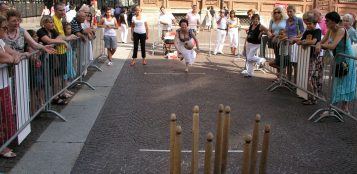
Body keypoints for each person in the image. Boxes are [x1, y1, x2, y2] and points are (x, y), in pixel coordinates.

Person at [316, 12, 356, 113]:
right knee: (337, 81)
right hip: (338, 58)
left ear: (333, 21)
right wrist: (318, 43)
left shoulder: (341, 30)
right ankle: (335, 106)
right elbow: (323, 41)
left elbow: (332, 45)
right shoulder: (330, 30)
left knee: (345, 81)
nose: (325, 22)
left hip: (346, 58)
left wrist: (320, 45)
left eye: (327, 20)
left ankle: (341, 106)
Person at [0, 15, 25, 158]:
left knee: (5, 115)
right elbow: (8, 58)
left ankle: (4, 144)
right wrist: (13, 58)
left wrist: (13, 57)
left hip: (3, 84)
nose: (5, 30)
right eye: (3, 28)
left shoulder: (1, 42)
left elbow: (15, 54)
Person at [295, 13, 322, 105]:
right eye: (307, 24)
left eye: (310, 24)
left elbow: (314, 41)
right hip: (305, 57)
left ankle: (313, 98)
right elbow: (300, 40)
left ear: (315, 24)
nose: (308, 25)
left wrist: (304, 42)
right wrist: (301, 41)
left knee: (309, 78)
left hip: (313, 57)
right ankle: (310, 96)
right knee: (306, 77)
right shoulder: (307, 31)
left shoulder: (317, 31)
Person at [285, 5, 305, 82]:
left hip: (295, 43)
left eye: (291, 11)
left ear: (294, 11)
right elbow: (286, 31)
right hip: (287, 43)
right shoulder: (286, 20)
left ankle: (296, 82)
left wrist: (295, 37)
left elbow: (303, 32)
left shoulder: (298, 20)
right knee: (288, 63)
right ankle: (289, 80)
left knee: (295, 63)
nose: (289, 13)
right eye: (288, 11)